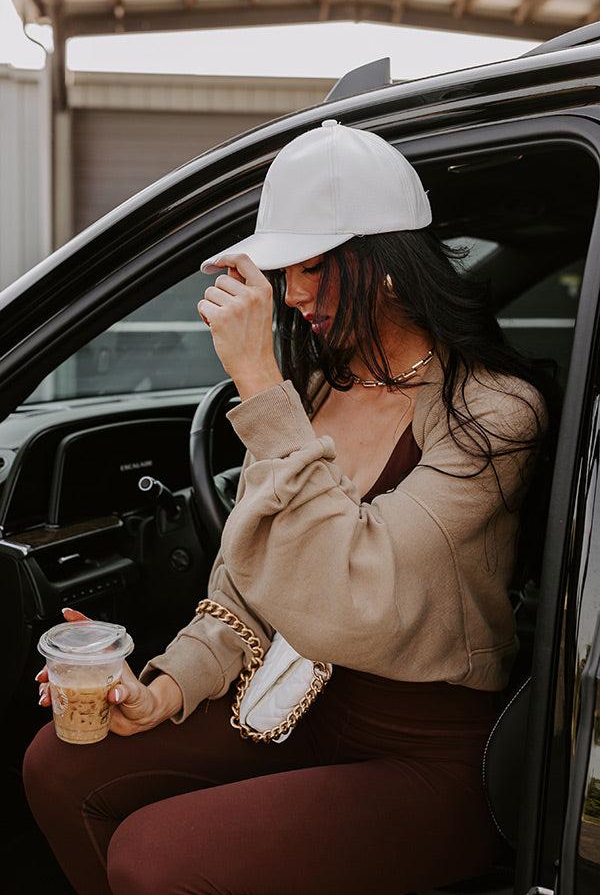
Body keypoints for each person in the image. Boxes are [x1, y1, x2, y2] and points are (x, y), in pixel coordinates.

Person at [23, 118, 554, 895]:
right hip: (301, 699)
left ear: (384, 264)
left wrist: (262, 388)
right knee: (58, 764)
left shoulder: (498, 413)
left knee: (155, 858)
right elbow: (244, 588)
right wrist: (160, 689)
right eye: (285, 272)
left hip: (429, 750)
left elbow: (358, 602)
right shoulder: (315, 391)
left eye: (314, 268)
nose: (294, 295)